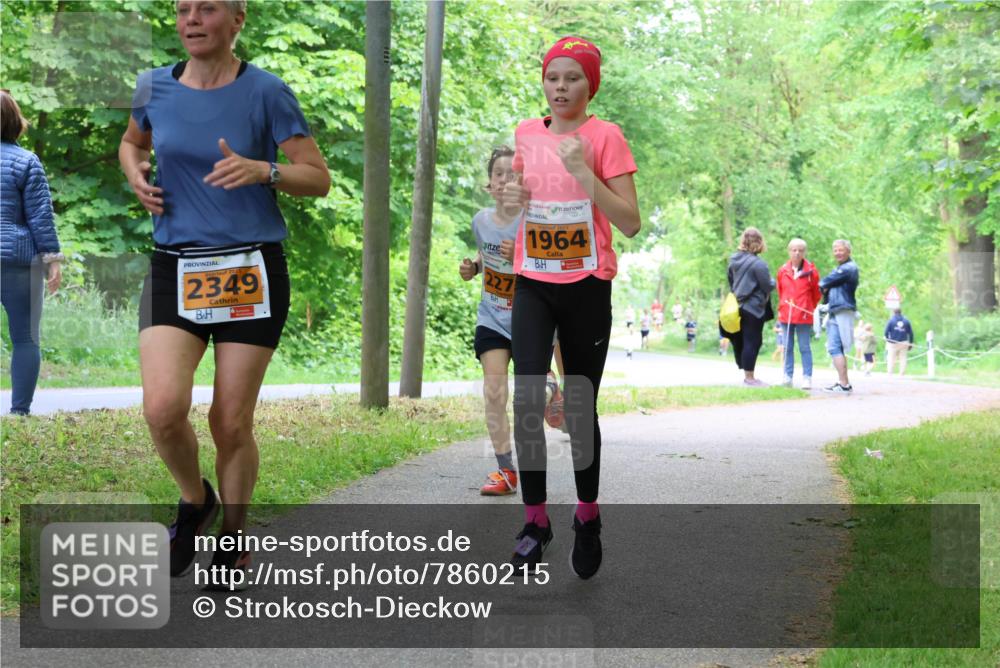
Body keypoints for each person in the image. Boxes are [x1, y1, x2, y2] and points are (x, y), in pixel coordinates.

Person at [119, 0, 330, 588]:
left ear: (236, 19)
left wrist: (265, 170)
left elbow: (317, 176)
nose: (191, 19)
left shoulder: (266, 91)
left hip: (249, 271)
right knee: (163, 409)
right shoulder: (152, 87)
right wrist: (135, 174)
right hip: (176, 266)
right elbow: (132, 144)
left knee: (230, 421)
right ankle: (195, 501)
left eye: (206, 8)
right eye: (182, 8)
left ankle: (234, 540)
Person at [502, 35, 640, 579]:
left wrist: (585, 174)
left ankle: (587, 515)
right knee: (529, 396)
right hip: (533, 281)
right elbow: (516, 202)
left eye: (573, 78)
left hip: (586, 283)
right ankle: (536, 521)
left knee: (578, 404)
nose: (561, 87)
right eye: (553, 77)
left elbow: (628, 221)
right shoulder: (525, 134)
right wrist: (511, 202)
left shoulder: (606, 136)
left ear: (590, 85)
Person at [460, 146, 520, 496]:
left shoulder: (532, 217)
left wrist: (523, 254)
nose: (505, 179)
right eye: (499, 173)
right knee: (494, 391)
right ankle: (506, 471)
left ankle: (550, 387)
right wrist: (475, 268)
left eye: (513, 173)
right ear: (490, 182)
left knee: (532, 397)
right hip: (493, 317)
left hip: (531, 318)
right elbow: (487, 252)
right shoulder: (481, 220)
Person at [1, 90, 63, 416]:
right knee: (25, 338)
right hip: (18, 262)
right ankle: (19, 413)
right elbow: (40, 216)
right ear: (16, 121)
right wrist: (52, 260)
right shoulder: (27, 162)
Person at [725, 227, 774, 386]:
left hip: (737, 306)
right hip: (754, 308)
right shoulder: (759, 264)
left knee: (744, 341)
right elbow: (767, 285)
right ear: (759, 242)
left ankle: (747, 374)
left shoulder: (734, 260)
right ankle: (750, 378)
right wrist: (774, 282)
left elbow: (731, 282)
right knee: (753, 341)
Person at [776, 238, 821, 389]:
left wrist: (807, 307)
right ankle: (787, 376)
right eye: (794, 250)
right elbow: (780, 291)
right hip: (786, 314)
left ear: (804, 252)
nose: (797, 253)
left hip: (803, 315)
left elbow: (816, 294)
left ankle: (807, 377)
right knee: (787, 346)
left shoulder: (811, 272)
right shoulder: (782, 270)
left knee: (804, 347)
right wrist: (784, 305)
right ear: (789, 251)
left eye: (800, 250)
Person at [819, 239, 859, 393]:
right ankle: (844, 383)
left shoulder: (848, 268)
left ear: (848, 251)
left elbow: (825, 282)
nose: (837, 253)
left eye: (841, 250)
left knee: (835, 347)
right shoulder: (843, 267)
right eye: (835, 250)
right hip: (837, 309)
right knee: (837, 347)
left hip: (842, 309)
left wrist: (825, 286)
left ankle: (843, 384)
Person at [884, 308, 914, 375]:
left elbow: (886, 332)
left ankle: (890, 371)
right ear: (901, 312)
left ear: (894, 312)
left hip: (893, 342)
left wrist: (888, 339)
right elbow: (911, 333)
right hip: (904, 342)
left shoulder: (891, 321)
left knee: (891, 357)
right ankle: (902, 372)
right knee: (903, 357)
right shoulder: (906, 321)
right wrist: (911, 343)